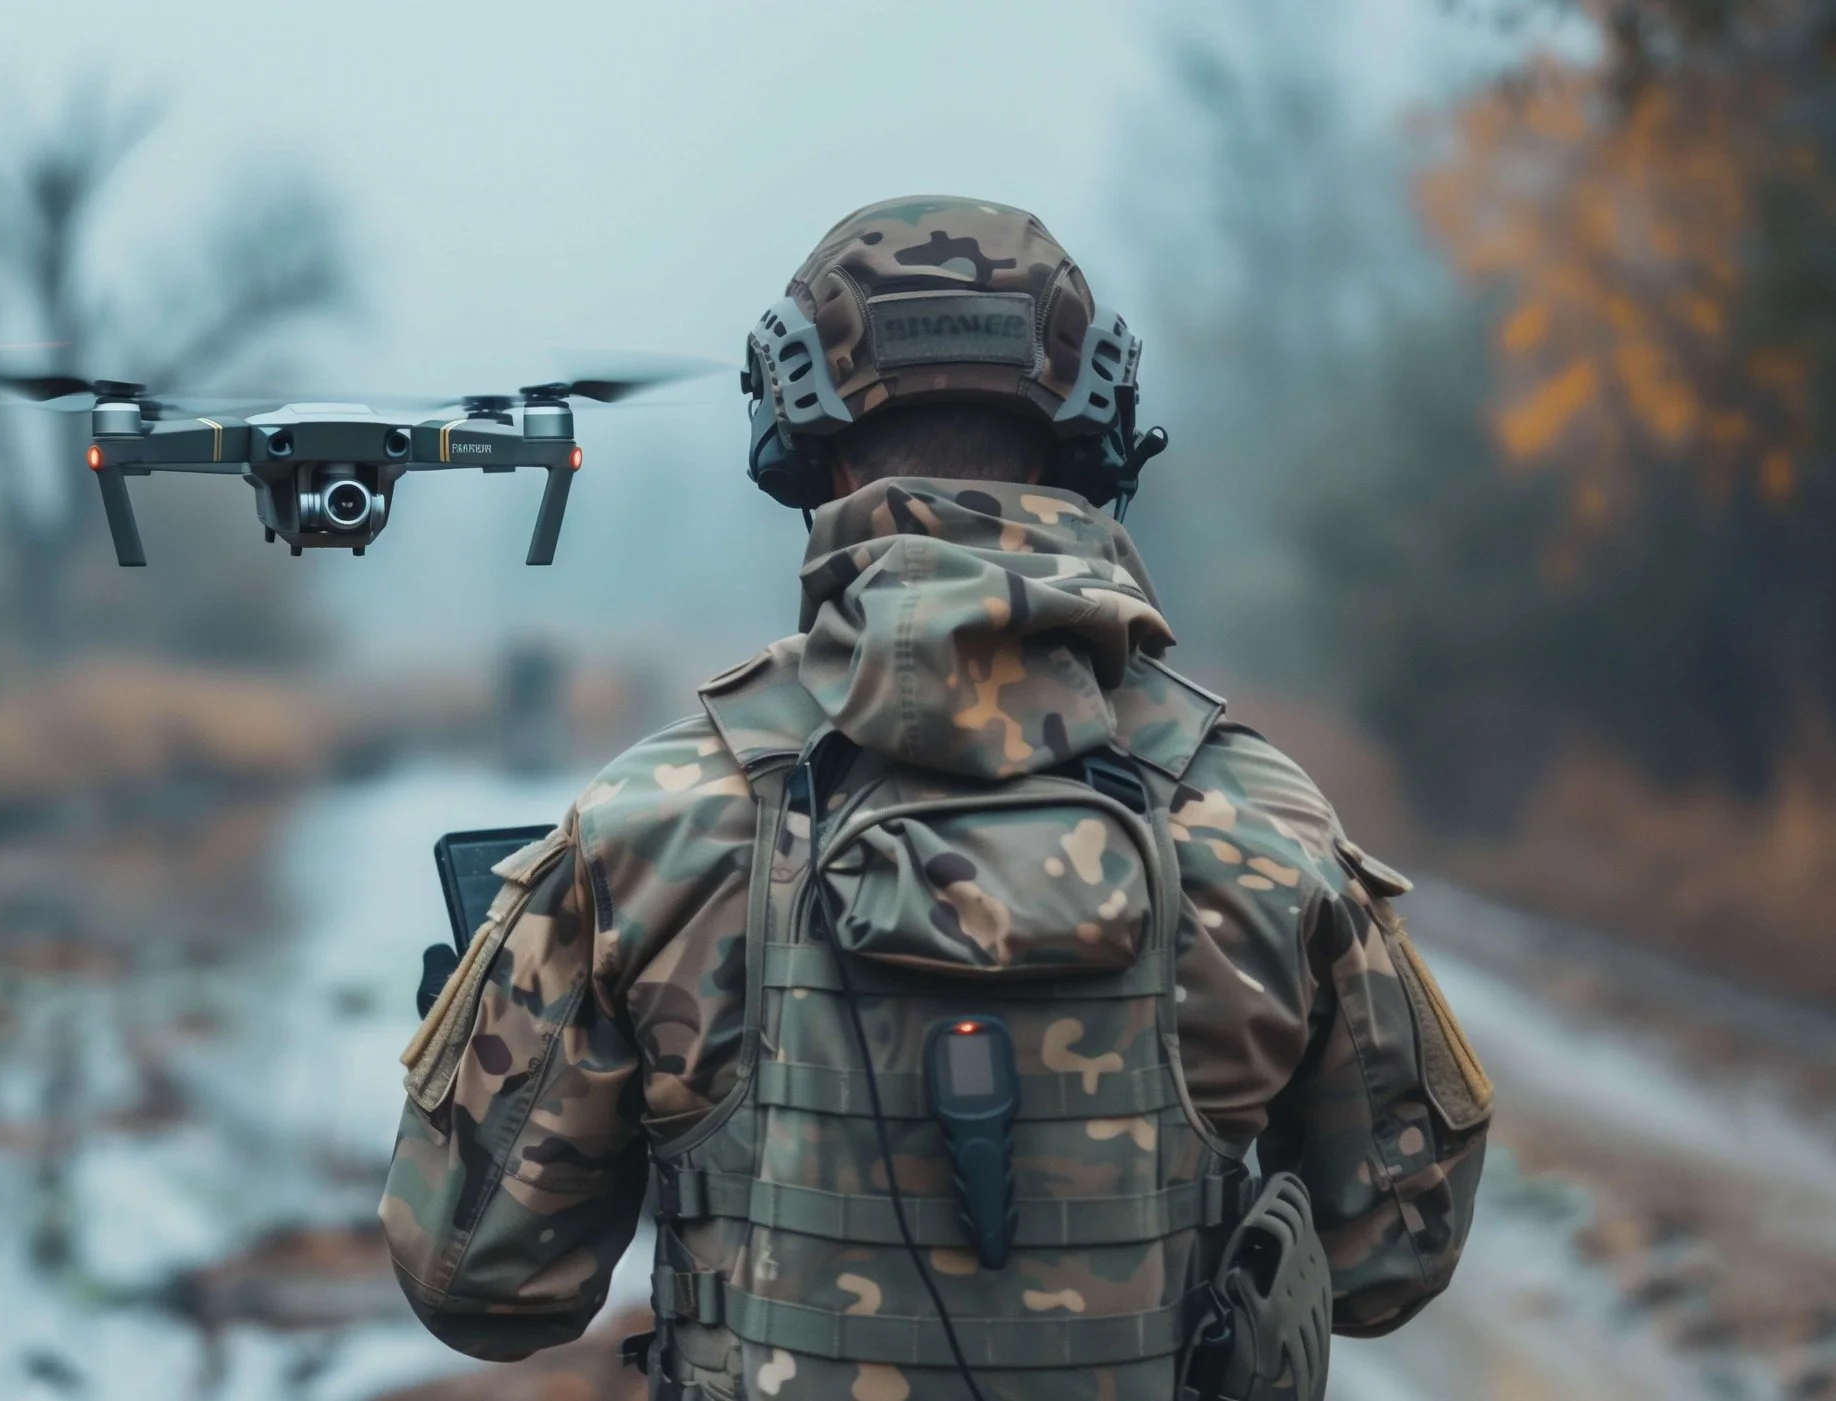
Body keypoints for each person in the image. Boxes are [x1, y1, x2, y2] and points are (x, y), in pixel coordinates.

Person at [382, 196, 1491, 1400]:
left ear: (794, 432)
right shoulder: (1267, 822)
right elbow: (1395, 1258)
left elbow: (481, 1285)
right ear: (1094, 427)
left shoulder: (653, 820)